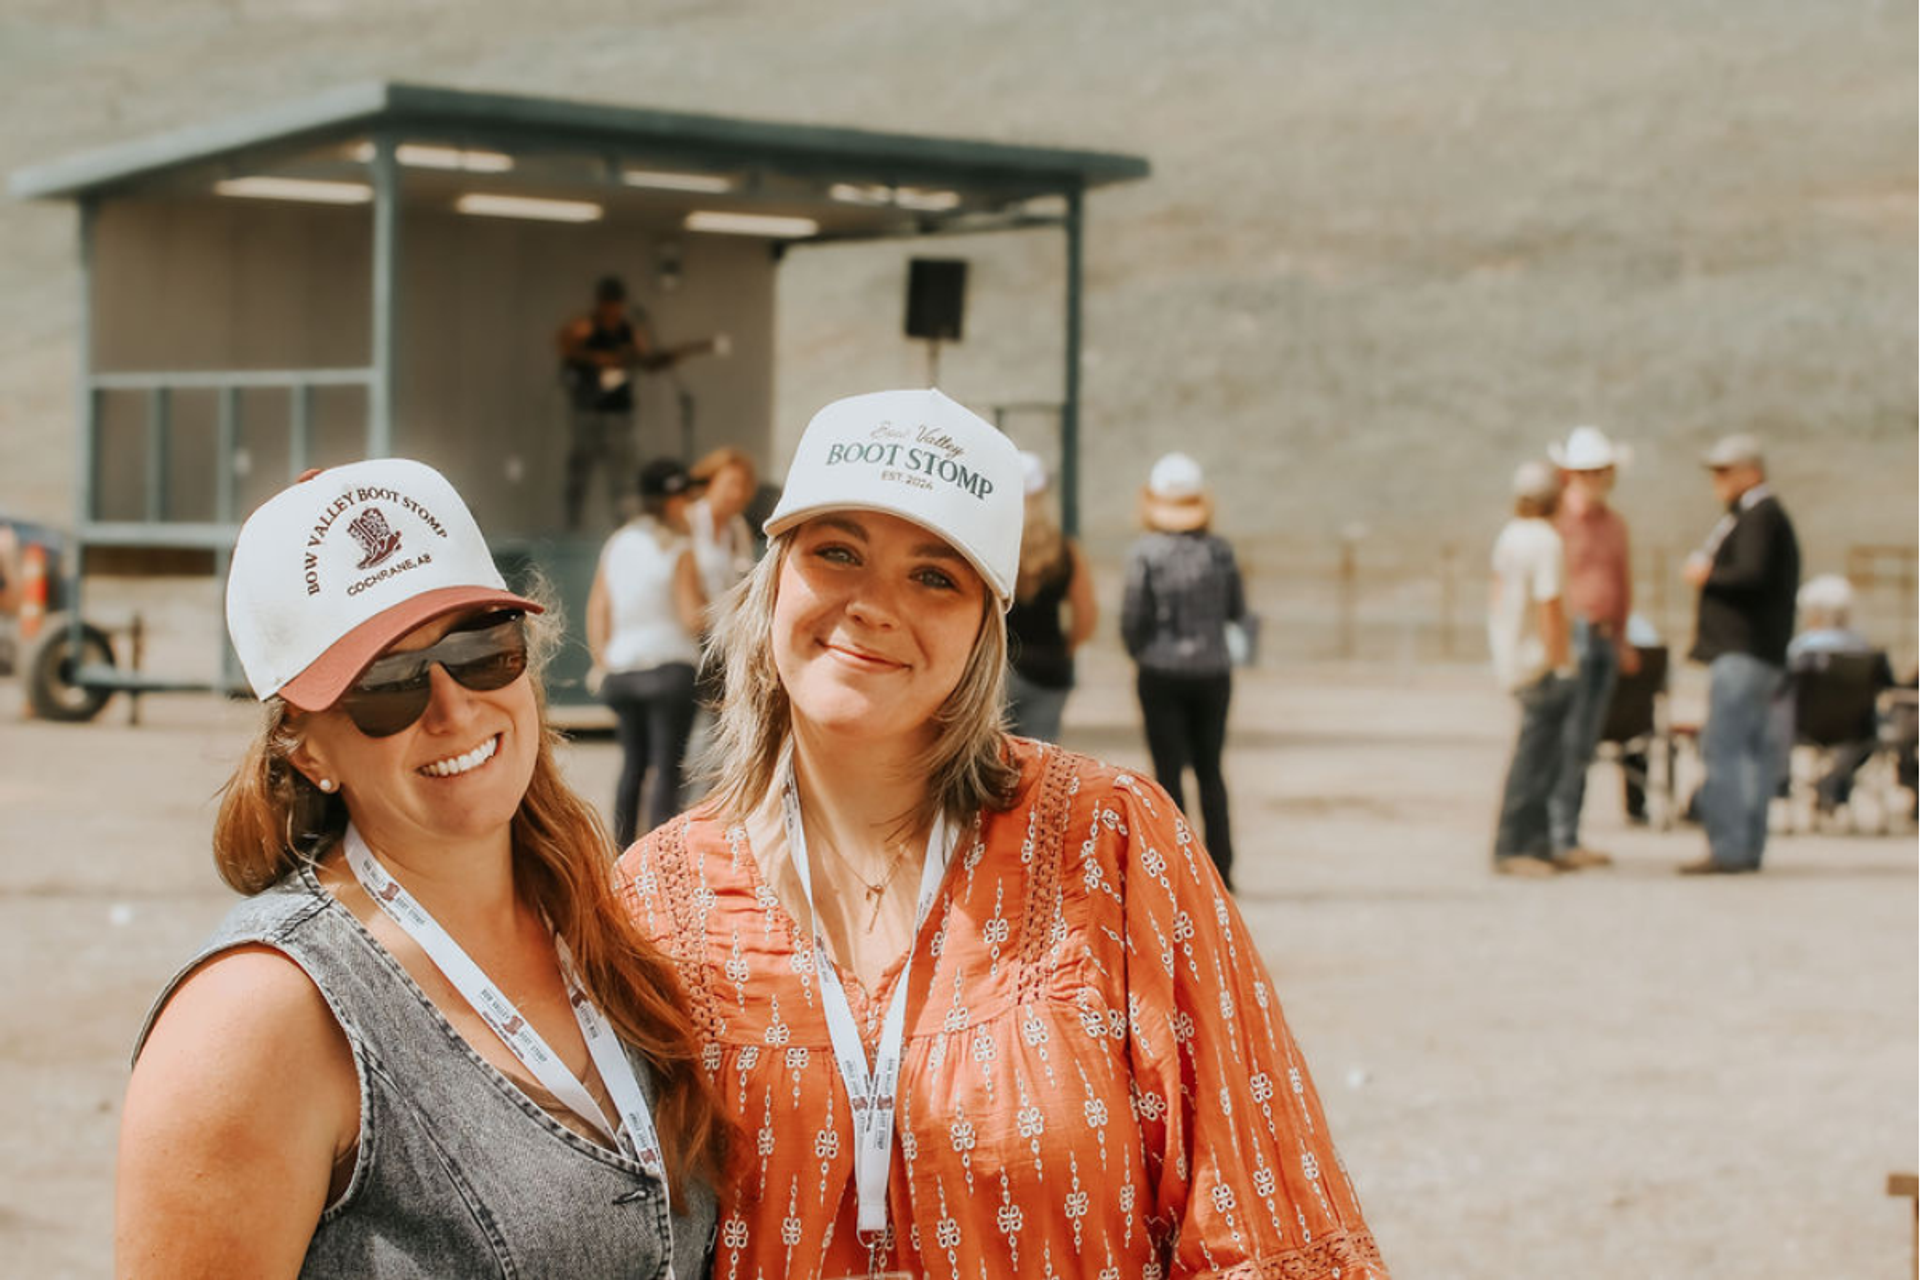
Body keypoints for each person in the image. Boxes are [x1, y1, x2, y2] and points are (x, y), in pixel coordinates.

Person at [616, 390, 1387, 1279]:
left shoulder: (1114, 843)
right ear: (776, 577)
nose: (872, 604)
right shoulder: (657, 897)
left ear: (987, 623)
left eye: (935, 575)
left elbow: (1259, 1214)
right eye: (837, 553)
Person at [117, 459, 728, 1276]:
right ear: (304, 747)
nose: (453, 708)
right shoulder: (257, 1018)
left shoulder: (605, 924)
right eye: (386, 685)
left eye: (480, 650)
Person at [1120, 451, 1248, 890]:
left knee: (1168, 772)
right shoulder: (1220, 552)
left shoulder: (1145, 553)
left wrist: (1142, 651)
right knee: (1211, 769)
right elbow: (1236, 610)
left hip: (1160, 672)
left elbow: (1133, 617)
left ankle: (1178, 872)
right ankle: (1223, 869)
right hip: (1213, 672)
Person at [1679, 432, 1801, 874]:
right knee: (1750, 753)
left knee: (1726, 750)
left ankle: (1730, 846)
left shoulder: (1760, 517)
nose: (1718, 481)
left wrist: (1708, 575)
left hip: (1744, 652)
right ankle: (1745, 845)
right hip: (1756, 653)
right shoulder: (1757, 516)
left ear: (1751, 472)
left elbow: (1750, 574)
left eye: (1724, 471)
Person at [589, 458, 708, 846]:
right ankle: (661, 858)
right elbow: (692, 617)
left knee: (633, 766)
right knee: (667, 768)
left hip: (623, 670)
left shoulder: (618, 542)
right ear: (673, 502)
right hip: (670, 668)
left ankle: (620, 851)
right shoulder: (679, 547)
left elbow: (598, 606)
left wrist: (602, 660)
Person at [1546, 425, 1637, 869]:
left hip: (1602, 636)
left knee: (1584, 741)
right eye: (1588, 472)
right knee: (1564, 737)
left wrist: (1622, 638)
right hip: (1572, 633)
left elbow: (1622, 584)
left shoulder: (1614, 525)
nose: (1596, 479)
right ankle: (1555, 832)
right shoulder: (1556, 523)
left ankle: (1569, 832)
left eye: (1602, 471)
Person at [1488, 460, 1576, 878]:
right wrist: (1561, 662)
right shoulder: (1546, 540)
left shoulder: (1510, 536)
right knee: (1536, 759)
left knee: (1542, 755)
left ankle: (1537, 844)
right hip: (1537, 662)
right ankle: (1514, 845)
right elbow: (1550, 606)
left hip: (1511, 657)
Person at [1004, 450, 1096, 742]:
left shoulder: (997, 545)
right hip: (1050, 668)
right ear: (1043, 491)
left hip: (1000, 668)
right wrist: (1066, 647)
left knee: (991, 759)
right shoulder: (1065, 550)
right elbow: (1086, 614)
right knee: (1041, 759)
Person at [1784, 574, 1894, 816]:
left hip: (1806, 728)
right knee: (1865, 735)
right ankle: (1836, 781)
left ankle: (1823, 783)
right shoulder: (1864, 649)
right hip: (1858, 731)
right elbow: (1889, 687)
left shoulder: (1802, 650)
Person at [685, 446, 760, 607]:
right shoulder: (688, 521)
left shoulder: (739, 527)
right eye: (731, 484)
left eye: (743, 486)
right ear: (709, 482)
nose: (737, 494)